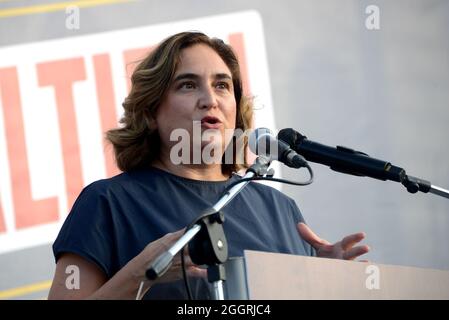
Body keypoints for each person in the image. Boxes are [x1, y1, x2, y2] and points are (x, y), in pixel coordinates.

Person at [48, 31, 369, 300]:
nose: (209, 99)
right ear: (149, 112)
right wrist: (141, 272)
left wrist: (321, 280)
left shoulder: (279, 208)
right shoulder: (107, 203)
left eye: (222, 85)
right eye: (188, 84)